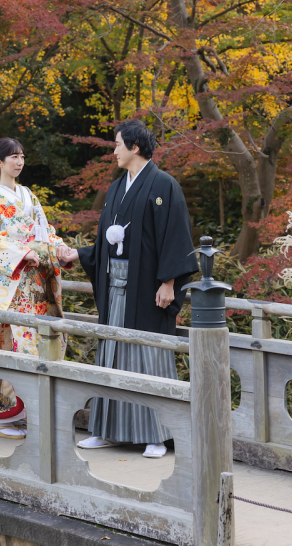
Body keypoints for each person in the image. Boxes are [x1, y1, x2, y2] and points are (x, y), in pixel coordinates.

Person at [57, 119, 196, 459]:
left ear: (135, 147)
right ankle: (108, 430)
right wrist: (80, 254)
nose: (114, 150)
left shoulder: (164, 185)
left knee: (147, 356)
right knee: (113, 355)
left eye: (118, 144)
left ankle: (157, 434)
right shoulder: (119, 186)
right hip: (116, 287)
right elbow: (107, 238)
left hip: (148, 288)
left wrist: (169, 282)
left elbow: (175, 236)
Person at [0, 137, 67, 438]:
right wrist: (20, 254)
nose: (19, 161)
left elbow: (45, 231)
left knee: (34, 345)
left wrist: (60, 250)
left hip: (34, 285)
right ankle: (0, 419)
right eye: (13, 157)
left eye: (22, 156)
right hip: (9, 286)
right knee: (9, 344)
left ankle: (24, 414)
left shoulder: (29, 196)